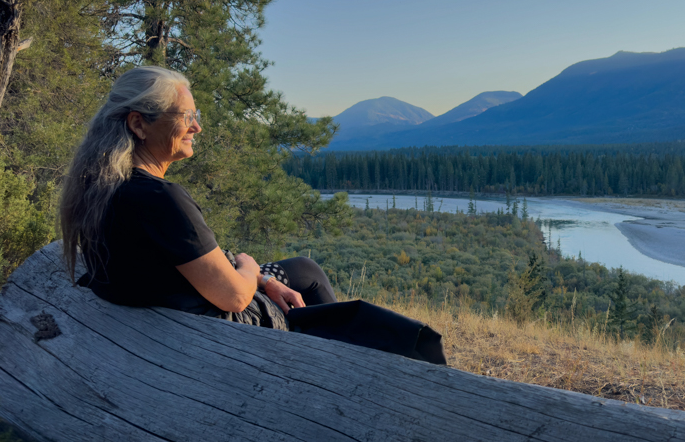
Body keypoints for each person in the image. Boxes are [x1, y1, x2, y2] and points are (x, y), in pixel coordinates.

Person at [59, 66, 445, 364]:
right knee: (366, 321)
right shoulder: (159, 198)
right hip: (220, 330)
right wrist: (248, 267)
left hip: (175, 312)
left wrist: (262, 277)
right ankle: (329, 359)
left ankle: (327, 345)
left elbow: (177, 264)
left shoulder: (103, 189)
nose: (198, 126)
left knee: (302, 270)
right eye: (186, 115)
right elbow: (232, 297)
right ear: (138, 123)